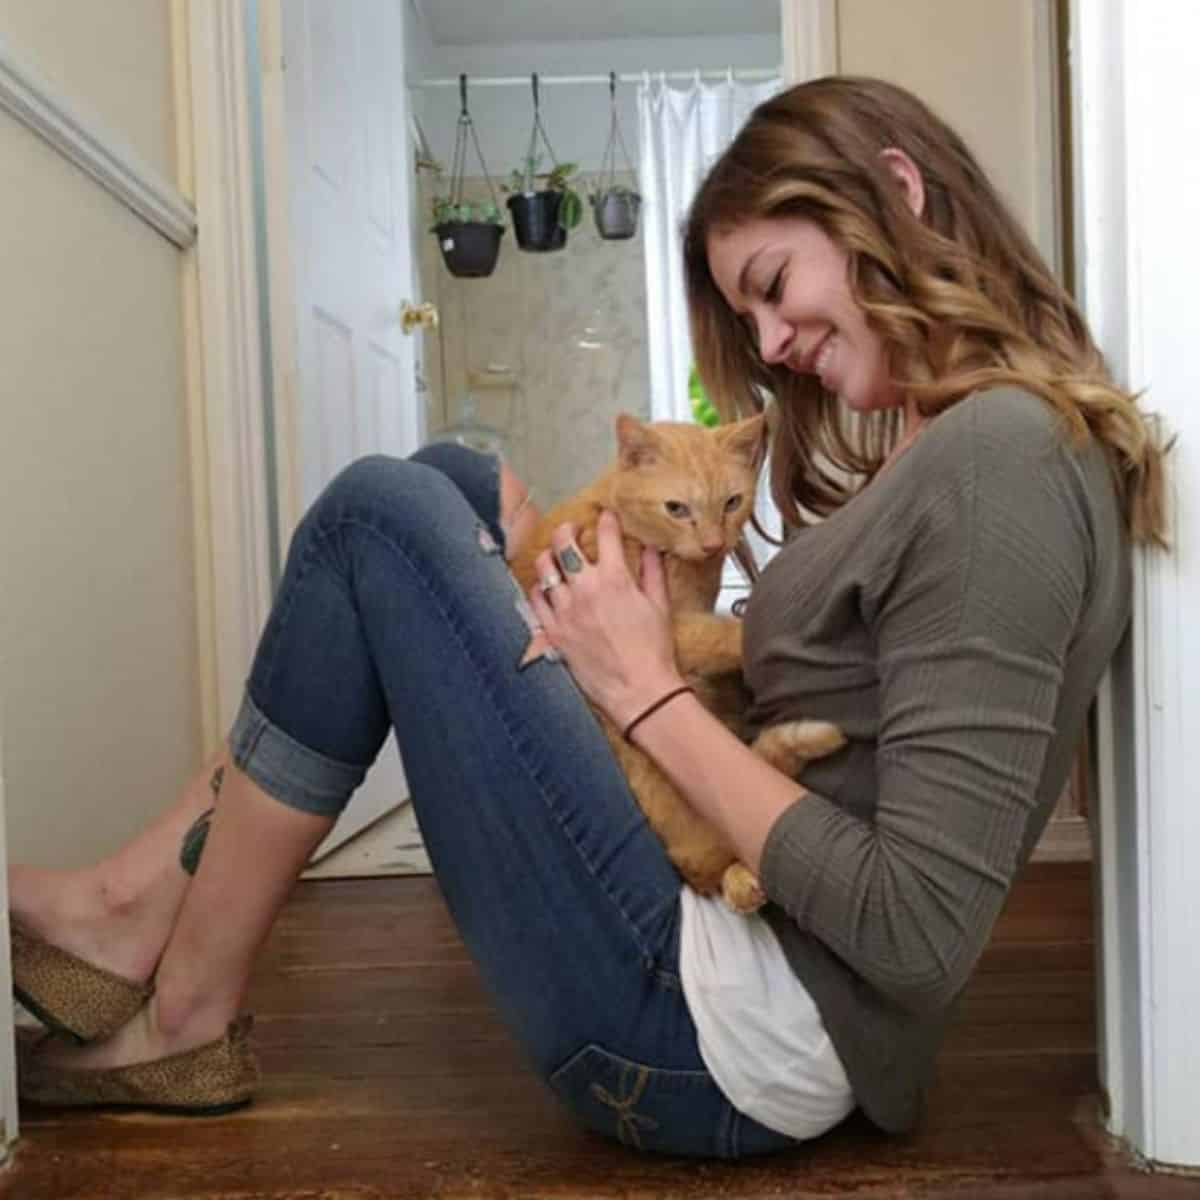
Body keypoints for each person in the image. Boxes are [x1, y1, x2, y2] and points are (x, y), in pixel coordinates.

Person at [9, 76, 1164, 1155]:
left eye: (771, 285)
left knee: (376, 517)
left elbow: (912, 929)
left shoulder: (1002, 462)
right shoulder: (950, 438)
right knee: (448, 482)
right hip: (721, 954)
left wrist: (643, 684)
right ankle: (131, 916)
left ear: (896, 195)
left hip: (719, 1032)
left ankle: (177, 998)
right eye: (746, 315)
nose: (768, 347)